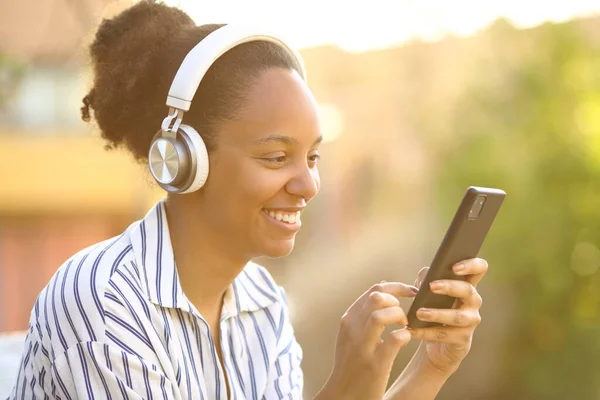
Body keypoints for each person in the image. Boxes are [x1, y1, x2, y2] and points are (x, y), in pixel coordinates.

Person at [8, 1, 488, 399]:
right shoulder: (103, 301)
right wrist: (345, 387)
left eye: (313, 158)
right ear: (182, 160)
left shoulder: (262, 302)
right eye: (278, 157)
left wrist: (431, 367)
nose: (308, 185)